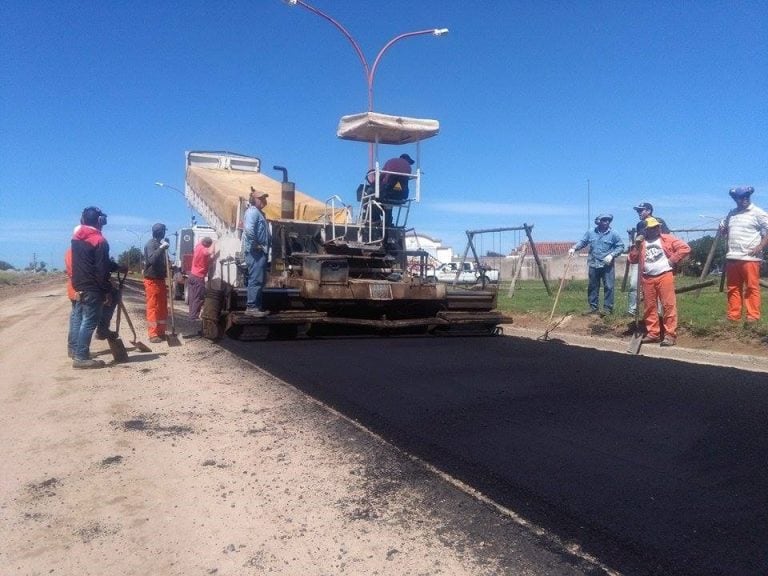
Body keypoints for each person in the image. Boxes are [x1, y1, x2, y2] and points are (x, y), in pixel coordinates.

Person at [628, 217, 690, 346]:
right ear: (646, 230)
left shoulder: (667, 239)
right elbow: (632, 259)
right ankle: (653, 333)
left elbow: (685, 248)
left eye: (656, 227)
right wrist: (636, 246)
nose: (655, 229)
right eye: (651, 228)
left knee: (668, 305)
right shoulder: (642, 243)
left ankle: (669, 335)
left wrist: (673, 259)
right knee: (649, 307)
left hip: (664, 275)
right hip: (647, 277)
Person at [70, 207, 113, 369]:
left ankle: (76, 351)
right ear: (99, 221)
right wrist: (107, 290)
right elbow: (101, 269)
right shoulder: (99, 241)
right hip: (93, 286)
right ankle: (81, 357)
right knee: (89, 322)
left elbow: (89, 261)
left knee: (80, 319)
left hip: (79, 284)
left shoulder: (77, 238)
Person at [719, 186, 768, 323]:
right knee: (733, 288)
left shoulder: (758, 213)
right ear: (735, 199)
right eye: (741, 197)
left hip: (750, 257)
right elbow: (725, 231)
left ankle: (753, 316)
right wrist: (723, 230)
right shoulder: (731, 214)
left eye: (747, 197)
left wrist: (760, 246)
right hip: (732, 256)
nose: (744, 199)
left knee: (752, 287)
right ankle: (733, 316)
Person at [569, 214, 625, 316]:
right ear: (599, 221)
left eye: (608, 220)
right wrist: (574, 248)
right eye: (604, 220)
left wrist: (612, 255)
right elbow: (583, 242)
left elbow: (621, 247)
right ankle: (593, 307)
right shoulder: (591, 232)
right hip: (593, 263)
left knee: (609, 286)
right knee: (593, 286)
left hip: (607, 265)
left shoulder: (614, 234)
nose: (606, 222)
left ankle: (607, 309)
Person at [628, 202, 670, 315]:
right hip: (642, 258)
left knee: (659, 290)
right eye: (638, 211)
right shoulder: (640, 224)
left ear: (649, 211)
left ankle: (660, 315)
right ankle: (633, 310)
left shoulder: (659, 221)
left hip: (657, 258)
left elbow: (667, 238)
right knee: (634, 284)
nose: (639, 213)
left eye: (641, 210)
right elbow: (639, 241)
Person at [242, 187, 271, 317]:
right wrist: (256, 244)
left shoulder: (258, 213)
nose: (264, 201)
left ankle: (256, 307)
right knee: (255, 279)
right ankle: (252, 307)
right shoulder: (252, 212)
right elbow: (248, 230)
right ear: (255, 200)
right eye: (262, 198)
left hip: (259, 251)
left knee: (258, 279)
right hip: (255, 252)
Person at [144, 223, 170, 343]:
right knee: (153, 307)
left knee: (162, 307)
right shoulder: (151, 244)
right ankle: (153, 334)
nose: (164, 233)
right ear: (160, 232)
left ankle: (161, 331)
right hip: (152, 280)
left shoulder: (160, 245)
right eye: (164, 231)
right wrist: (161, 248)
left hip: (160, 279)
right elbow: (151, 259)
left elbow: (162, 261)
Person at [187, 237, 217, 322]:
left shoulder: (198, 247)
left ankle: (191, 315)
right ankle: (194, 316)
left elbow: (208, 258)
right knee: (198, 298)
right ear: (207, 245)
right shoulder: (204, 251)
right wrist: (214, 243)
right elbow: (210, 252)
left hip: (192, 275)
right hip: (198, 278)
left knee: (192, 298)